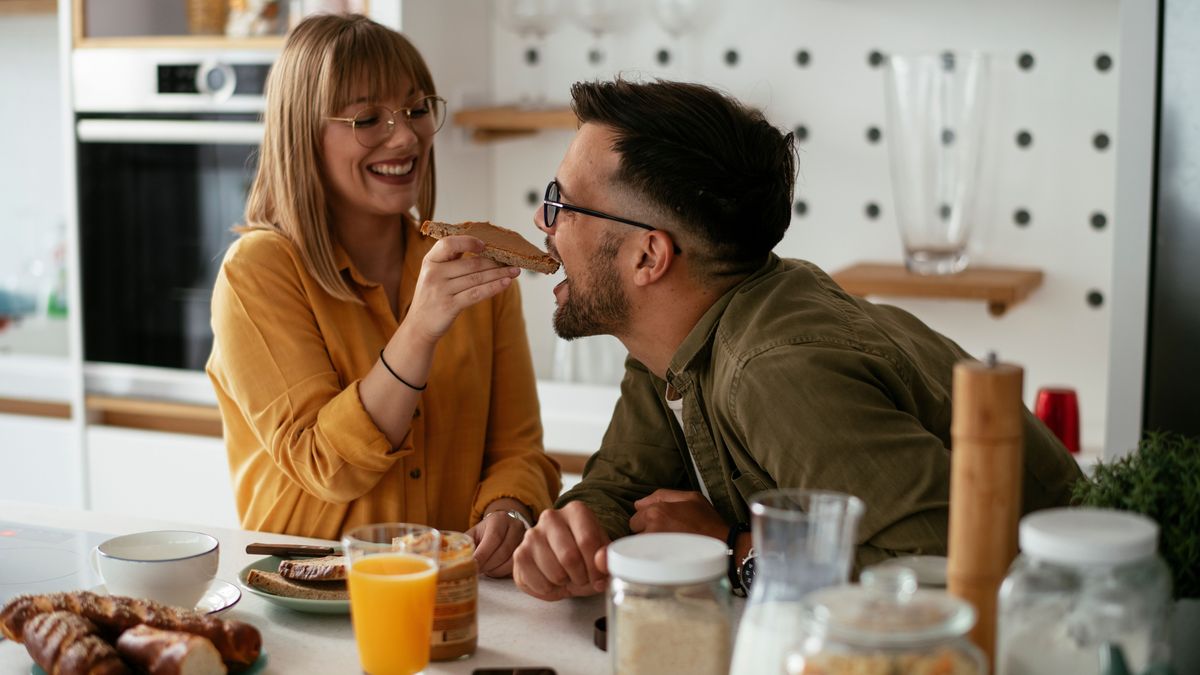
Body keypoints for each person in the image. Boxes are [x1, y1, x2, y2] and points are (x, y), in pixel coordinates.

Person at [510, 79, 1082, 601]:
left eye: (561, 202)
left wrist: (735, 551)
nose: (543, 221)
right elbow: (624, 488)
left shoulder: (776, 371)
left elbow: (939, 573)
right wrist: (574, 531)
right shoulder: (670, 343)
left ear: (648, 256)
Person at [206, 14, 559, 576]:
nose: (406, 135)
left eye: (417, 109)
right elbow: (325, 464)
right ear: (302, 134)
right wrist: (419, 330)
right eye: (368, 118)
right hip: (310, 600)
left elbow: (520, 449)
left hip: (449, 592)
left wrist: (509, 511)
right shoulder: (258, 274)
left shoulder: (469, 263)